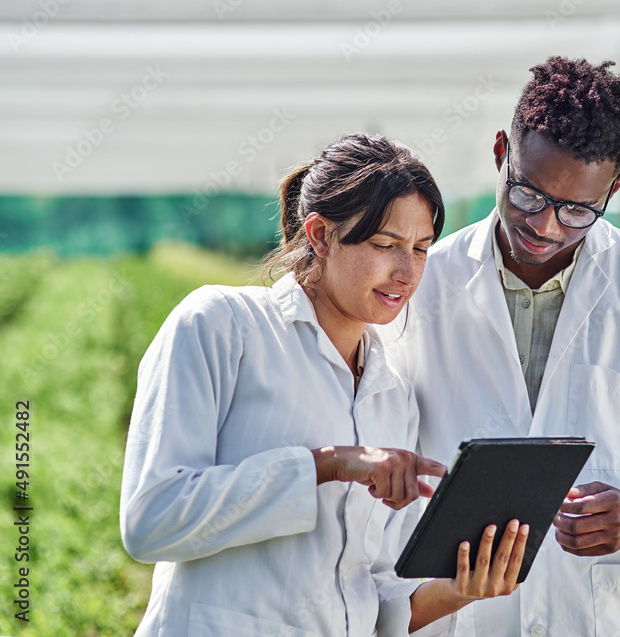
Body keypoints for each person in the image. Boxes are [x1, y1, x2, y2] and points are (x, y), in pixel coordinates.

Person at [381, 58, 620, 636]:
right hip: (455, 613)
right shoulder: (419, 284)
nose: (547, 226)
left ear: (616, 186)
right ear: (502, 149)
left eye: (578, 209)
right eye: (528, 194)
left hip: (596, 615)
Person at [120, 133, 528, 637]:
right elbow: (152, 520)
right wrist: (327, 464)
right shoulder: (223, 327)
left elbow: (373, 592)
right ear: (318, 234)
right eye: (385, 245)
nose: (407, 272)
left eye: (422, 249)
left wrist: (461, 588)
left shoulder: (392, 390)